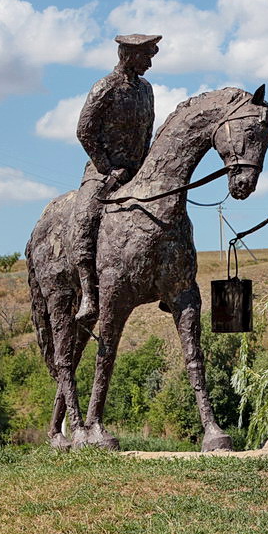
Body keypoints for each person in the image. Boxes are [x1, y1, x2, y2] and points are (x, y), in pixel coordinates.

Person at [72, 33, 160, 322]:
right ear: (129, 55)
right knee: (86, 217)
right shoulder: (105, 87)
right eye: (146, 56)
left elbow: (147, 132)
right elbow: (85, 131)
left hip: (138, 172)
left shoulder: (146, 89)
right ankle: (87, 293)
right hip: (104, 172)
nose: (149, 62)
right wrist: (107, 167)